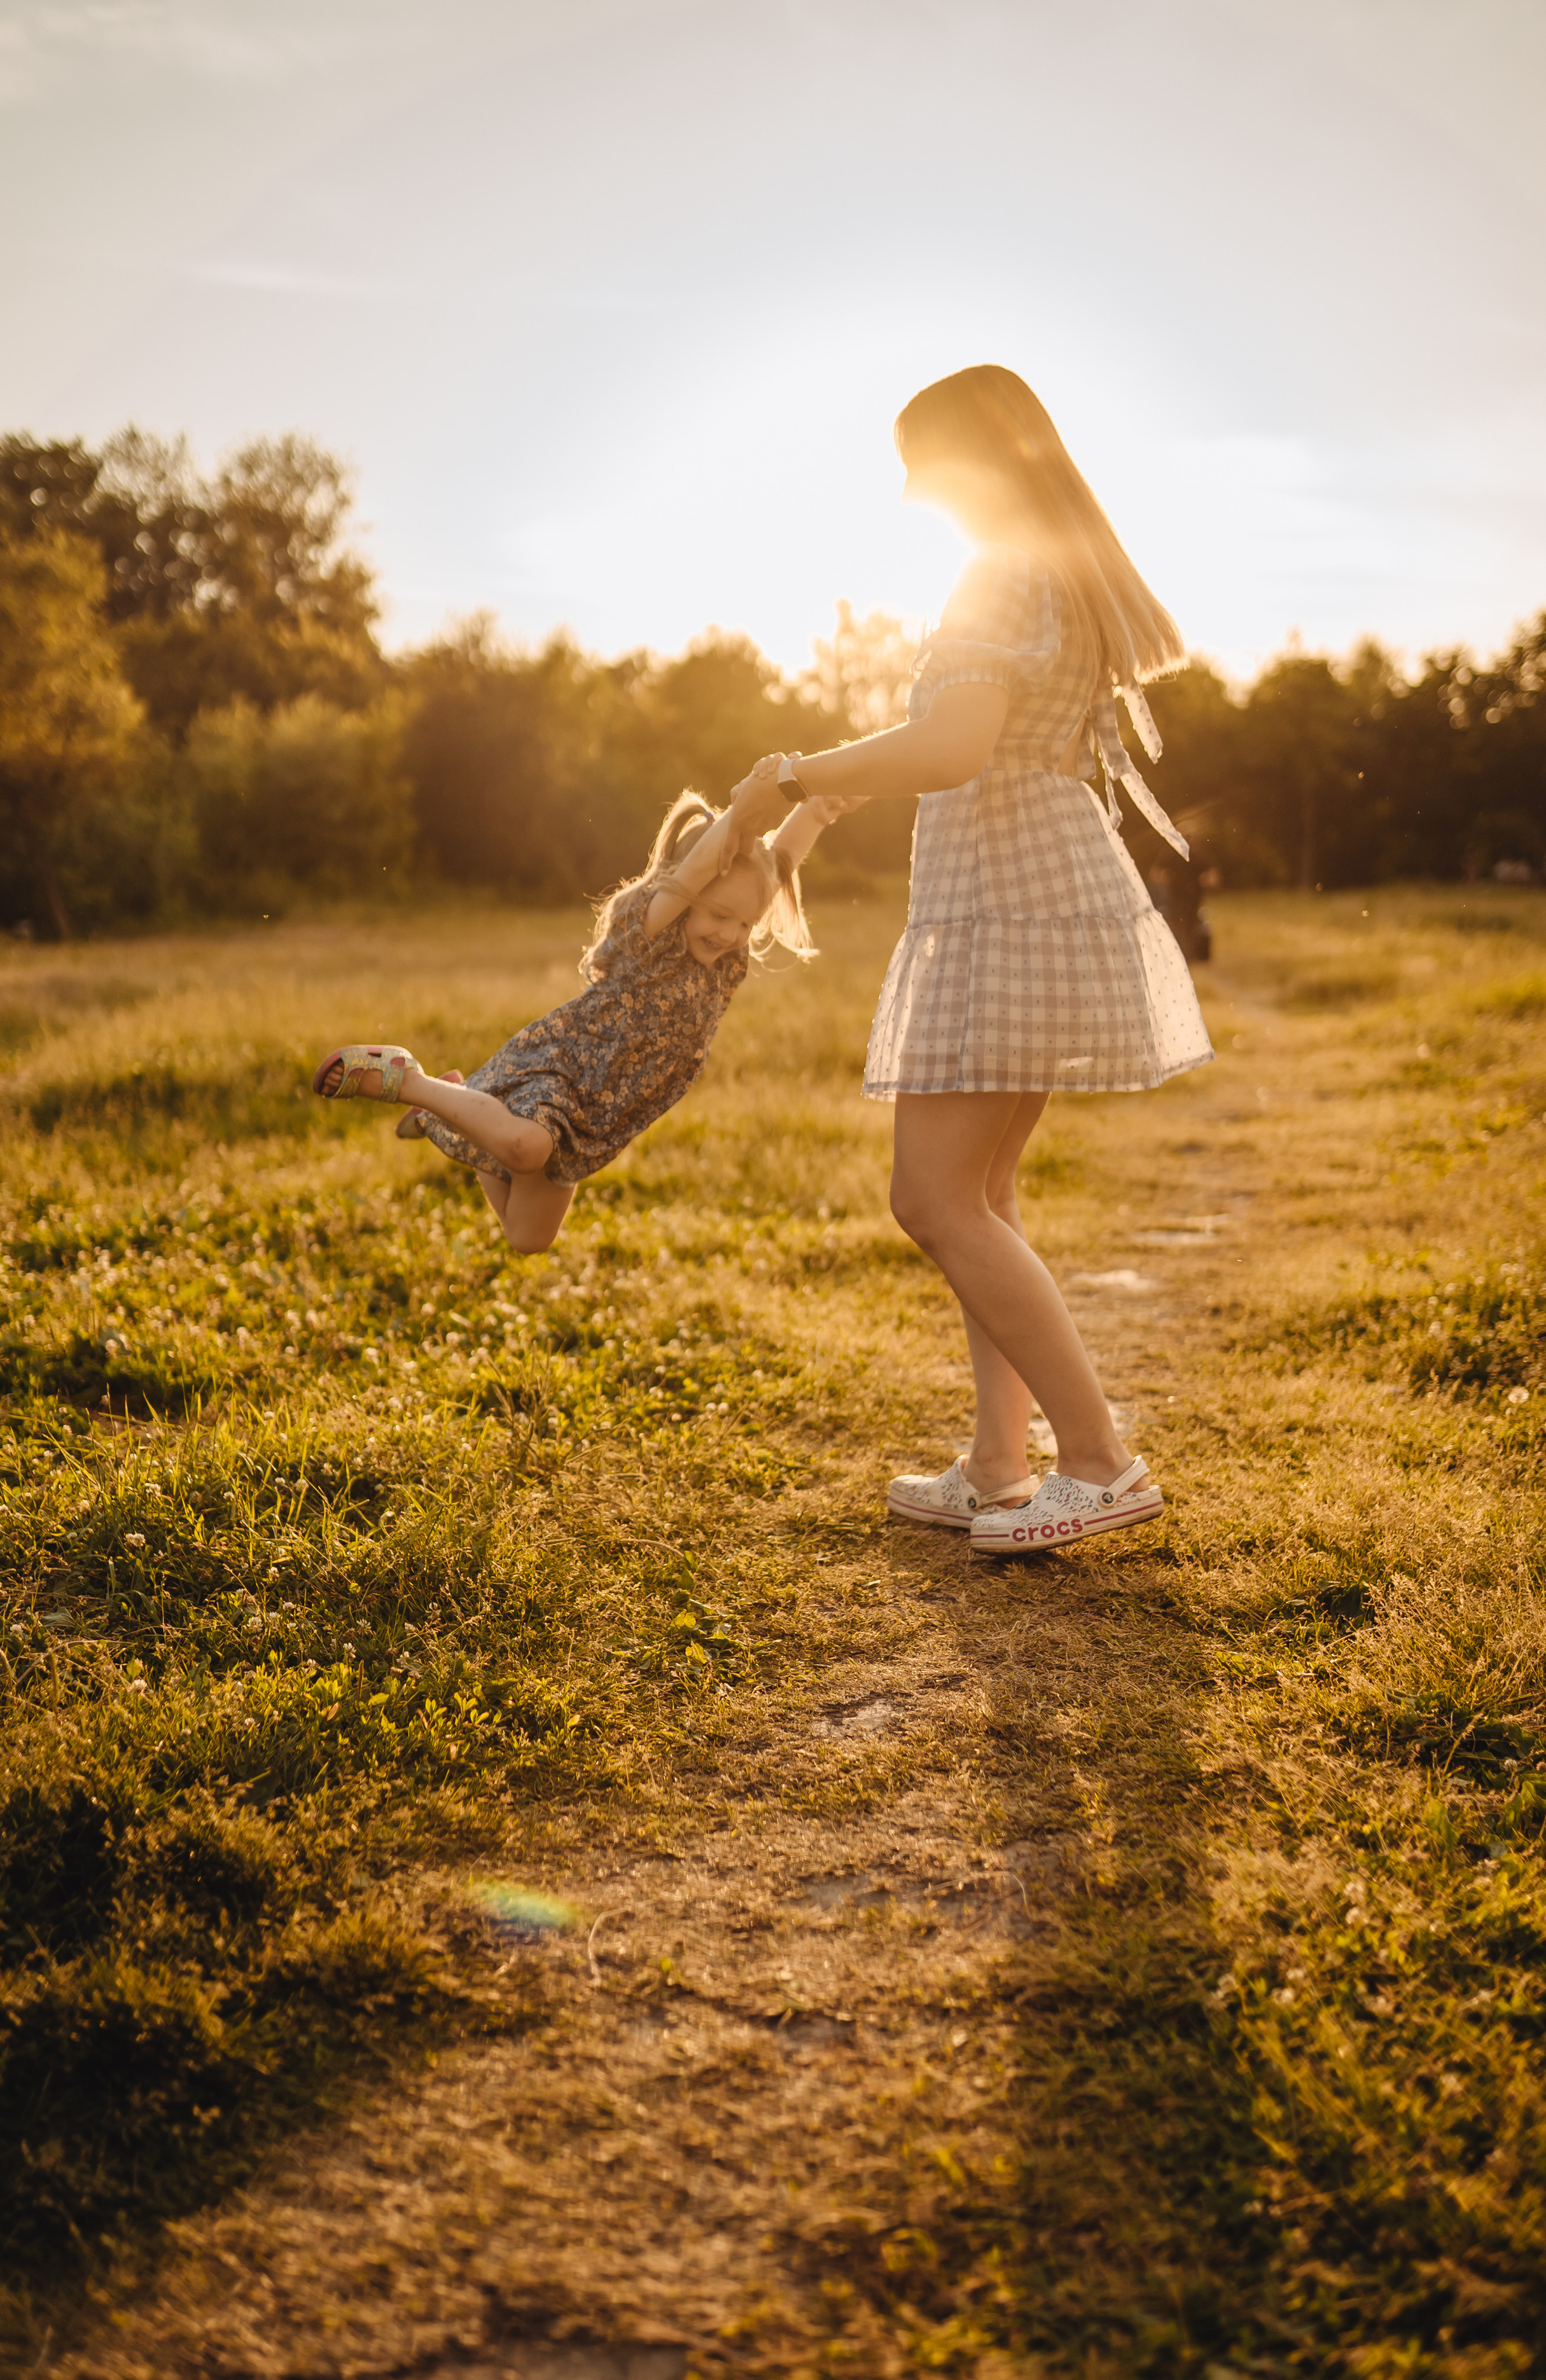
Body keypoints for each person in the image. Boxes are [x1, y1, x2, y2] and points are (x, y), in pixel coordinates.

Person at [725, 364, 1214, 1554]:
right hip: (1037, 888)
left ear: (974, 456)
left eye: (917, 464)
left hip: (1009, 902)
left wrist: (794, 773)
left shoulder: (1000, 569)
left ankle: (1098, 1462)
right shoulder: (1049, 568)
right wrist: (829, 794)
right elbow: (956, 744)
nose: (907, 493)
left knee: (934, 1199)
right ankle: (1000, 1464)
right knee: (982, 1197)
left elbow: (950, 747)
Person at [311, 788, 851, 1253]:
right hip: (566, 1069)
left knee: (528, 1237)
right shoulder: (654, 933)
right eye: (719, 916)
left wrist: (816, 811)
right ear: (685, 895)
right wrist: (745, 809)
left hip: (599, 1115)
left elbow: (780, 862)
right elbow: (697, 870)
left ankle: (461, 1104)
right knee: (526, 1148)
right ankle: (409, 1080)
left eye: (746, 923)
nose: (732, 934)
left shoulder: (726, 958)